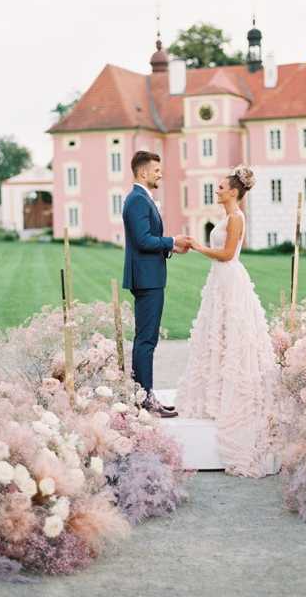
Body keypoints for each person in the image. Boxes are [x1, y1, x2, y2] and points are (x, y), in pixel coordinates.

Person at [175, 164, 279, 478]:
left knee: (233, 336)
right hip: (220, 282)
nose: (217, 191)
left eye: (221, 187)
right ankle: (216, 395)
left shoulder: (235, 218)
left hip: (229, 278)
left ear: (233, 191)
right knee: (216, 335)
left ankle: (233, 401)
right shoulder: (226, 217)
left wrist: (198, 247)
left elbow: (228, 253)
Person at [122, 151, 190, 418]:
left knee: (145, 339)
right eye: (157, 170)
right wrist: (172, 240)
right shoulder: (138, 200)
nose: (161, 174)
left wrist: (170, 248)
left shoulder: (141, 199)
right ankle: (145, 399)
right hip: (147, 279)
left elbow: (149, 241)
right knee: (146, 340)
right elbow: (143, 240)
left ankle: (145, 395)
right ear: (143, 173)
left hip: (149, 276)